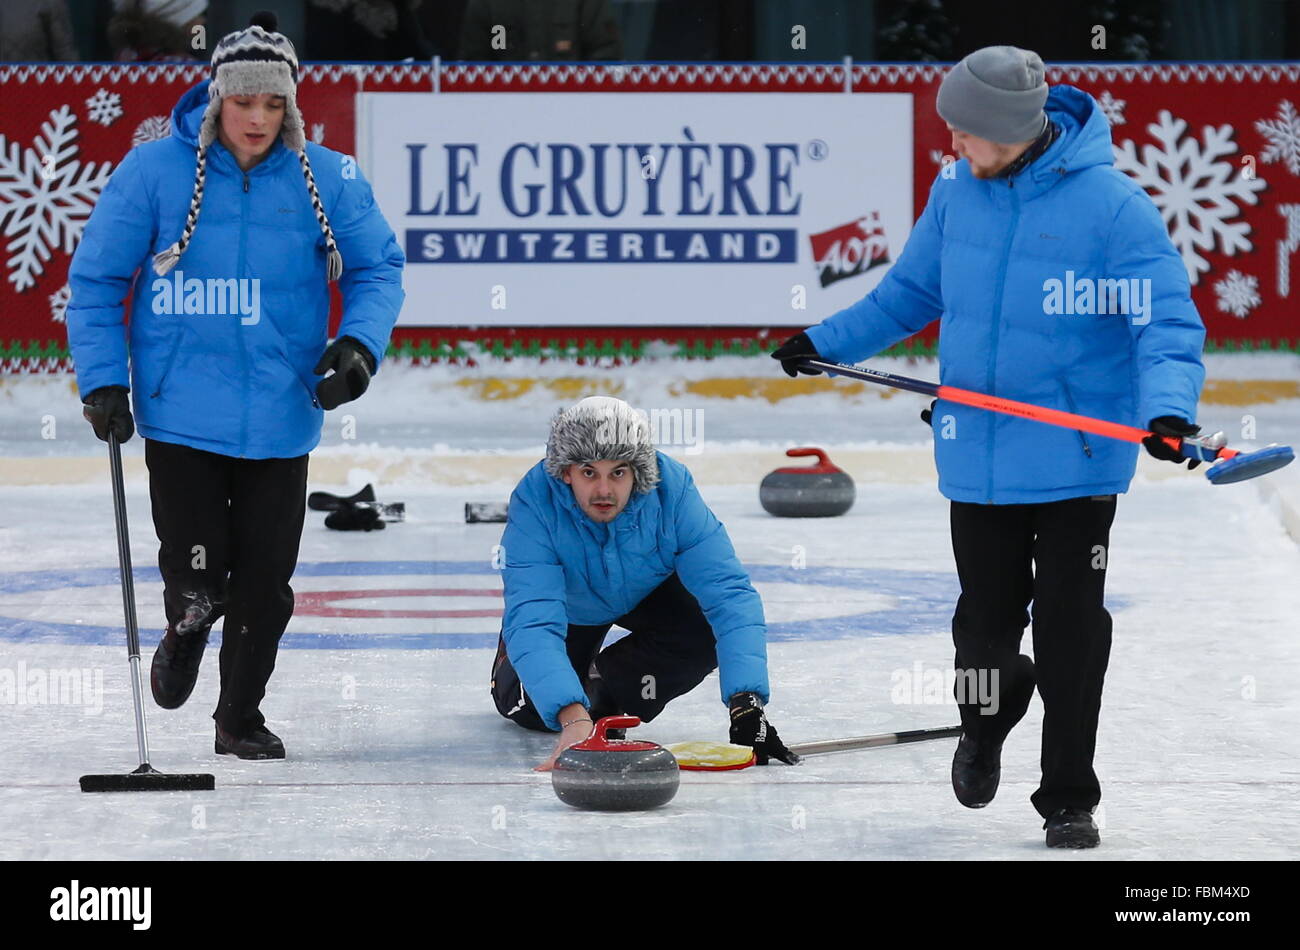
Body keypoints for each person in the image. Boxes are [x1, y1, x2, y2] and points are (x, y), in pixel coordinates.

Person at [772, 46, 1205, 848]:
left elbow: (1165, 322)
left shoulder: (1113, 208)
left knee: (1072, 632)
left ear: (1011, 130)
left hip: (1076, 462)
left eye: (964, 132)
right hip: (977, 455)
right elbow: (910, 292)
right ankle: (983, 726)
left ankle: (1070, 796)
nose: (952, 146)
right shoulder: (955, 193)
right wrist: (823, 340)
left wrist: (1169, 412)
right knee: (982, 632)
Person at [66, 13, 405, 760]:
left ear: (290, 107)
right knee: (199, 577)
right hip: (183, 414)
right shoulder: (154, 173)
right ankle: (186, 624)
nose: (257, 118)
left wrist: (358, 346)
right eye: (244, 101)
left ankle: (238, 716)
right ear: (216, 97)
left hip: (284, 416)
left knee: (264, 586)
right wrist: (102, 381)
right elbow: (94, 283)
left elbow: (380, 267)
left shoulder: (327, 176)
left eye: (273, 104)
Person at [491, 396, 796, 771]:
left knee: (702, 628)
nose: (604, 490)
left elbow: (729, 594)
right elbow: (534, 617)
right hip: (571, 606)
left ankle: (601, 689)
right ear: (566, 471)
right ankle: (527, 679)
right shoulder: (536, 501)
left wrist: (746, 705)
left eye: (618, 473)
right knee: (538, 712)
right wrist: (571, 719)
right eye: (589, 472)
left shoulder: (673, 490)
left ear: (639, 471)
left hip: (645, 589)